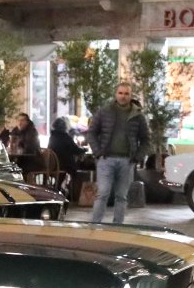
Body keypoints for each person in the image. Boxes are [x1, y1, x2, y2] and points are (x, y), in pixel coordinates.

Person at [88, 81, 149, 225]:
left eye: (126, 93)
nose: (123, 96)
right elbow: (91, 133)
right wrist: (98, 152)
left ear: (131, 96)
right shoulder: (105, 111)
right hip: (106, 159)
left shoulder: (138, 115)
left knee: (121, 196)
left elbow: (146, 139)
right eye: (120, 93)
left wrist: (138, 157)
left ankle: (118, 226)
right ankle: (94, 225)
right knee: (103, 193)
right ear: (116, 94)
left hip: (127, 161)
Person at [48, 117, 82, 195]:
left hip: (52, 165)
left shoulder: (52, 137)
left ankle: (59, 188)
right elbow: (76, 150)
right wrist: (84, 149)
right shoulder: (65, 137)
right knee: (77, 168)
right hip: (64, 165)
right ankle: (74, 192)